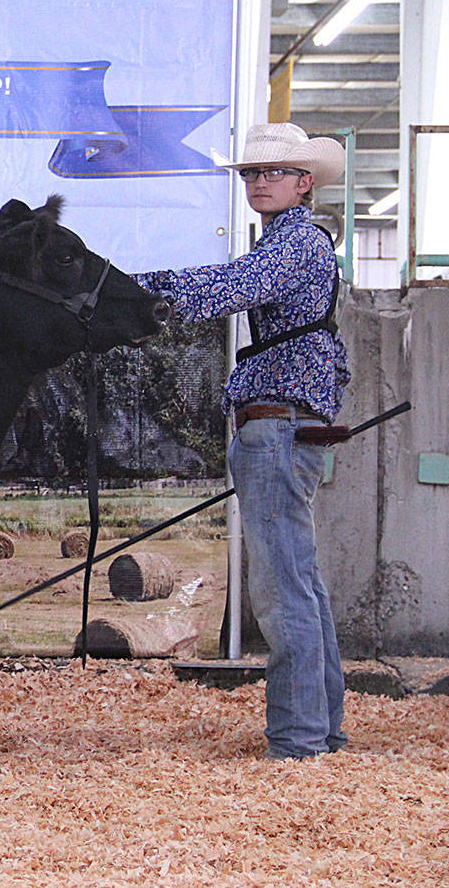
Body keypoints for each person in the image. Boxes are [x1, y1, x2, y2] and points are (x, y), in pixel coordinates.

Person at [134, 122, 350, 760]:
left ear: (304, 183)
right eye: (252, 174)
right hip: (284, 424)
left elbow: (229, 288)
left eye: (273, 173)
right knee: (300, 584)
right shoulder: (295, 244)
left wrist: (130, 286)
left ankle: (299, 741)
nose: (259, 182)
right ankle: (321, 732)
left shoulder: (298, 245)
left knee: (283, 592)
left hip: (277, 425)